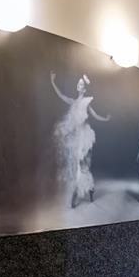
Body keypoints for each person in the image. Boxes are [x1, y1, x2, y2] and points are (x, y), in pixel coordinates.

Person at [50, 71, 110, 208]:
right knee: (78, 165)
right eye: (78, 83)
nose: (78, 85)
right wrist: (53, 82)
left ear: (84, 88)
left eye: (81, 84)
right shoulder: (74, 102)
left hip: (85, 137)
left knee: (82, 165)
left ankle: (82, 191)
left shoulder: (86, 101)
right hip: (76, 138)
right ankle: (88, 189)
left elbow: (94, 114)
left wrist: (105, 119)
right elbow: (61, 95)